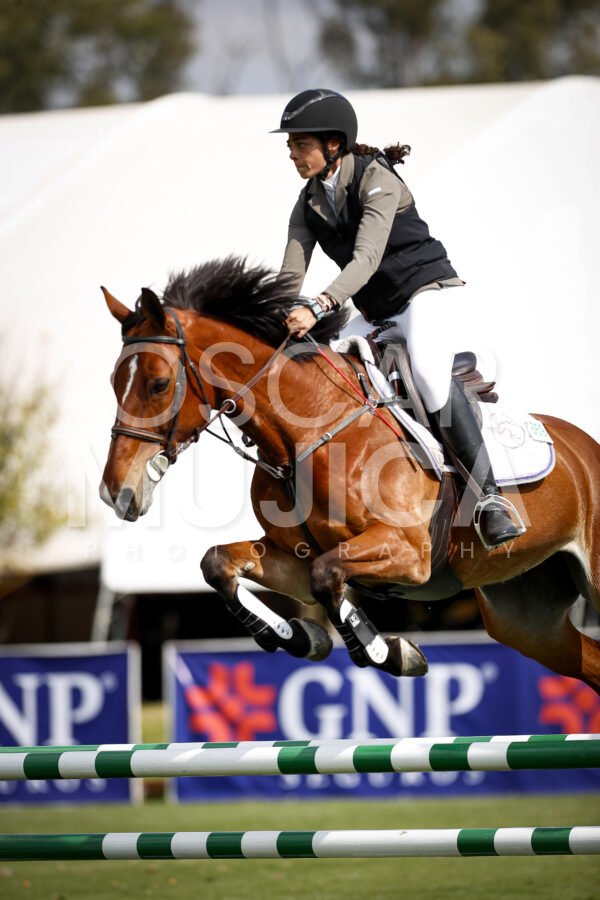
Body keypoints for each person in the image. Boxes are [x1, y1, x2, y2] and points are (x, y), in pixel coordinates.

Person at [272, 87, 525, 551]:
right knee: (329, 373)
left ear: (333, 143)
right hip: (378, 311)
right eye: (289, 145)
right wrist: (277, 314)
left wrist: (320, 305)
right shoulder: (307, 202)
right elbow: (290, 274)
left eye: (300, 144)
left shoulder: (377, 179)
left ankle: (490, 498)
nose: (291, 153)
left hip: (426, 293)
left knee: (427, 373)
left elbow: (366, 259)